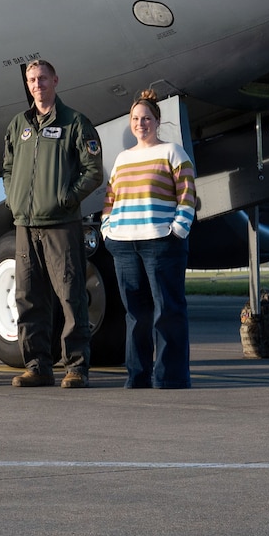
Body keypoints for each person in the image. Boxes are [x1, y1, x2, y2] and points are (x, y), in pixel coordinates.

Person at [2, 59, 105, 388]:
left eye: (42, 78)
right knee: (28, 296)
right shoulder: (19, 125)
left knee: (70, 295)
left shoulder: (75, 122)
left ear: (55, 80)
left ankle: (76, 366)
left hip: (61, 224)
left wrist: (67, 198)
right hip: (25, 224)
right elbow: (8, 167)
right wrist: (15, 198)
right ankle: (37, 365)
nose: (37, 85)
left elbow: (93, 171)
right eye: (32, 80)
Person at [101, 91, 199, 389]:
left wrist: (178, 229)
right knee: (135, 314)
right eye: (135, 119)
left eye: (146, 118)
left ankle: (170, 377)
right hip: (124, 243)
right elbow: (110, 197)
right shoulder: (122, 158)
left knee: (167, 310)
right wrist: (107, 227)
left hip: (161, 242)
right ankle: (138, 375)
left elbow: (187, 194)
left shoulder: (172, 152)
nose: (140, 123)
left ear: (157, 121)